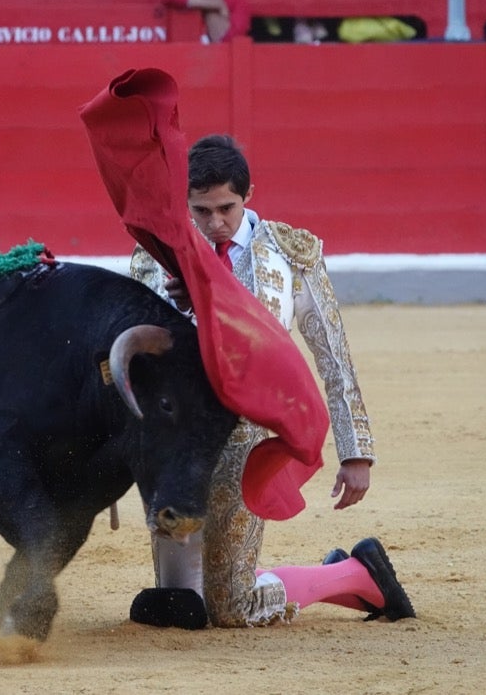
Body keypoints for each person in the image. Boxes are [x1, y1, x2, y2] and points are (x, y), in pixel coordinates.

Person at [128, 134, 415, 628]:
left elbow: (333, 355)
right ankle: (277, 577)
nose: (214, 223)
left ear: (249, 195)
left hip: (249, 434)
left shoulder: (291, 253)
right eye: (201, 211)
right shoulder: (155, 259)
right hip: (173, 440)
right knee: (183, 601)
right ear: (184, 203)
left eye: (226, 208)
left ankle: (353, 574)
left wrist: (356, 452)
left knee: (229, 608)